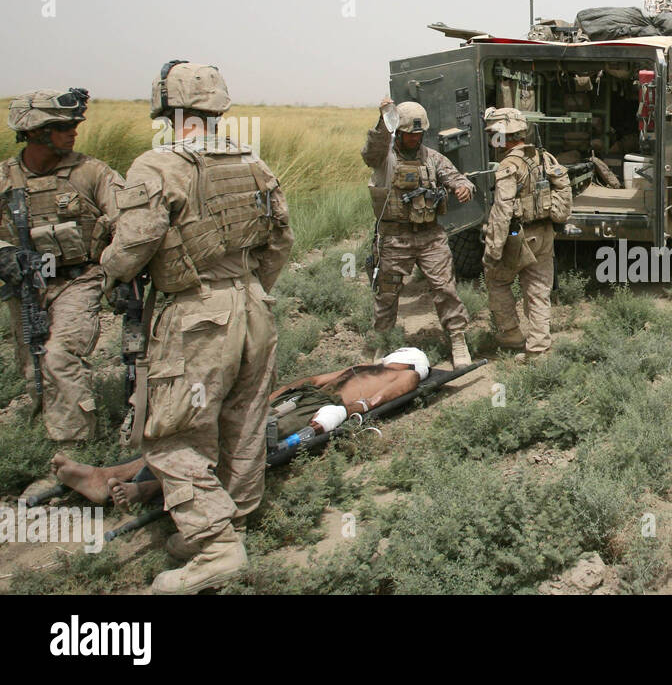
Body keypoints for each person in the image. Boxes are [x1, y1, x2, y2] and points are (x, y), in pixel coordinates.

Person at [98, 60, 293, 594]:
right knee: (244, 417)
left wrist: (106, 272)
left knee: (170, 434)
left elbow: (133, 246)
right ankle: (235, 518)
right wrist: (252, 287)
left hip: (195, 314)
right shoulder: (253, 161)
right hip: (254, 306)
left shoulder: (157, 166)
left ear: (170, 110)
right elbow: (281, 240)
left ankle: (215, 545)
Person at [49, 348, 433, 525]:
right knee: (216, 430)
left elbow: (382, 397)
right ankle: (111, 475)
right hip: (306, 399)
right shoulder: (369, 364)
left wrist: (341, 415)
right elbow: (315, 380)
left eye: (398, 357)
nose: (391, 359)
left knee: (240, 445)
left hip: (316, 410)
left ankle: (144, 490)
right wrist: (271, 396)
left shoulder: (409, 373)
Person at [0, 88, 123, 442]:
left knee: (60, 356)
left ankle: (74, 448)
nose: (73, 131)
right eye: (62, 125)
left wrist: (119, 273)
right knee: (34, 366)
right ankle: (44, 439)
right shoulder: (7, 179)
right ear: (36, 131)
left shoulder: (91, 173)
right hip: (29, 287)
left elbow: (127, 221)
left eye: (74, 124)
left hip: (78, 280)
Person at [361, 97, 475, 367]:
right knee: (387, 292)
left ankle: (457, 339)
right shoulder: (384, 159)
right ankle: (381, 343)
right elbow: (370, 152)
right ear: (398, 133)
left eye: (419, 134)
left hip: (430, 238)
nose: (415, 139)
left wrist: (463, 188)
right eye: (409, 135)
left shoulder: (433, 159)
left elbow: (457, 178)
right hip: (394, 238)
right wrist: (383, 120)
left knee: (445, 288)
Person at [480, 107, 572, 364]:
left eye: (494, 135)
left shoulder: (509, 165)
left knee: (497, 281)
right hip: (545, 233)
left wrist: (493, 250)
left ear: (503, 135)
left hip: (519, 236)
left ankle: (511, 335)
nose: (492, 140)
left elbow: (502, 209)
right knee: (538, 290)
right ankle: (539, 348)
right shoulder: (544, 156)